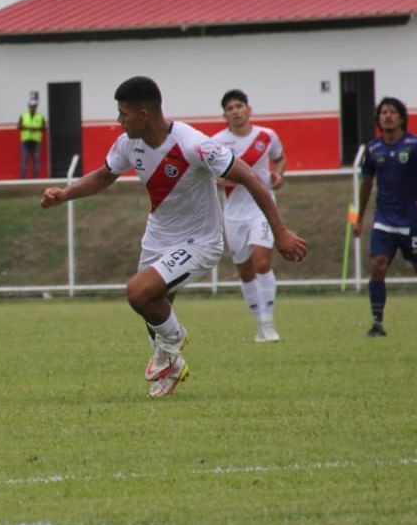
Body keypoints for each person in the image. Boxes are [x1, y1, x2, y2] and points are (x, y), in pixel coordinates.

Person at [40, 76, 307, 398]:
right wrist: (65, 194)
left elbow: (250, 177)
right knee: (152, 306)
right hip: (158, 237)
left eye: (123, 113)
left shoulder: (194, 144)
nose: (118, 120)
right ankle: (174, 368)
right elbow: (104, 175)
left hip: (200, 241)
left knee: (138, 293)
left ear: (143, 114)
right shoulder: (128, 143)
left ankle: (176, 339)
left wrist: (279, 231)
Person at [354, 97, 417, 336]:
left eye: (392, 112)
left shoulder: (414, 145)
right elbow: (366, 185)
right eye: (383, 113)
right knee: (377, 265)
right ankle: (377, 324)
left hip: (413, 221)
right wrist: (358, 218)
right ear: (378, 119)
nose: (387, 116)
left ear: (401, 117)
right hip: (384, 220)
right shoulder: (373, 149)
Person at [212, 89, 287, 343]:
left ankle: (268, 324)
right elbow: (211, 174)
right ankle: (259, 323)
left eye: (239, 106)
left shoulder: (266, 136)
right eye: (230, 108)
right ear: (224, 115)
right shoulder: (217, 142)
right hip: (234, 213)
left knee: (262, 262)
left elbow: (279, 158)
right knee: (245, 271)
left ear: (249, 109)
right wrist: (222, 179)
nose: (235, 111)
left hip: (262, 209)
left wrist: (277, 175)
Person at [18, 91, 46, 179]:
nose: (32, 108)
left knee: (36, 160)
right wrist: (28, 127)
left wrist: (34, 128)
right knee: (24, 160)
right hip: (25, 141)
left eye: (34, 106)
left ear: (36, 107)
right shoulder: (23, 115)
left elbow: (43, 128)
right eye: (31, 106)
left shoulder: (40, 116)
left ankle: (35, 178)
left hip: (36, 141)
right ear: (28, 106)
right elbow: (19, 126)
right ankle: (23, 178)